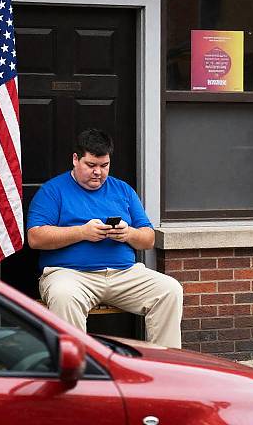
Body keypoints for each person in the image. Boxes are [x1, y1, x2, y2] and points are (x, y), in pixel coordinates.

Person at [27, 128, 183, 348]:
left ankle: (167, 367)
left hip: (124, 274)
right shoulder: (53, 190)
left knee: (170, 289)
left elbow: (148, 238)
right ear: (75, 159)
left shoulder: (123, 190)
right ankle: (78, 371)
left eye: (104, 165)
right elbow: (35, 237)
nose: (98, 172)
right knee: (64, 295)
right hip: (71, 275)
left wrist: (128, 233)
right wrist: (82, 232)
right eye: (91, 165)